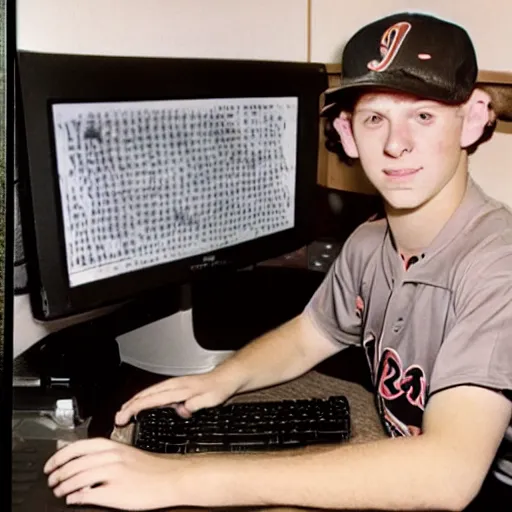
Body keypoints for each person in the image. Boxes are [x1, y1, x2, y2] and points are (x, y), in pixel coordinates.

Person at [43, 12, 512, 511]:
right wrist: (221, 380)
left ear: (476, 117)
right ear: (348, 133)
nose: (396, 144)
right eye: (375, 117)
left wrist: (185, 479)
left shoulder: (496, 265)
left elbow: (447, 475)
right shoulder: (370, 241)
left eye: (424, 115)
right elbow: (312, 334)